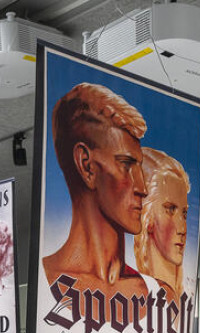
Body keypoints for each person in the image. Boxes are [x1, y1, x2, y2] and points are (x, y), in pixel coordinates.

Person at [42, 83, 148, 301]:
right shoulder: (44, 283)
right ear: (87, 165)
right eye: (126, 164)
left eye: (140, 167)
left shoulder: (156, 293)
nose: (143, 189)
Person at [133, 147, 191, 300]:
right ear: (148, 215)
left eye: (184, 213)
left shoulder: (189, 293)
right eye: (170, 209)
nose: (183, 228)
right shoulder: (132, 295)